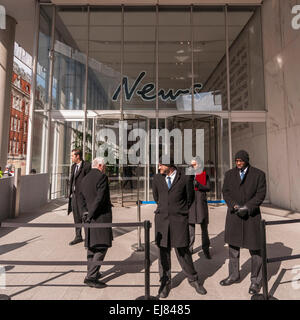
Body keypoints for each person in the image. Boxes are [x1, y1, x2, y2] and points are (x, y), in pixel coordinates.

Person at [152, 157, 207, 298]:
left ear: (169, 165)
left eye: (161, 164)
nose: (158, 167)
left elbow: (190, 199)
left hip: (179, 220)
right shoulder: (157, 178)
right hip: (162, 221)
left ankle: (193, 279)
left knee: (183, 251)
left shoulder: (184, 178)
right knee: (163, 252)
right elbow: (156, 198)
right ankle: (165, 282)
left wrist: (179, 212)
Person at [220, 150, 266, 295]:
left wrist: (247, 207)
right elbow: (225, 192)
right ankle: (234, 275)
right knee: (233, 249)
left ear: (246, 160)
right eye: (236, 161)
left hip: (251, 217)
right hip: (234, 216)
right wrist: (233, 205)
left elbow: (260, 194)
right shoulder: (229, 174)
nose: (238, 163)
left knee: (256, 250)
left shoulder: (259, 174)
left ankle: (255, 281)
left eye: (240, 161)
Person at [79, 157, 113, 289]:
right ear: (100, 165)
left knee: (91, 246)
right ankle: (91, 277)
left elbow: (79, 197)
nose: (105, 168)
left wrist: (85, 213)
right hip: (100, 217)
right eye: (104, 166)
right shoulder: (102, 177)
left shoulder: (84, 179)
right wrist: (91, 214)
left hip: (88, 217)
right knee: (101, 246)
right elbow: (99, 198)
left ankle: (92, 272)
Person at [188, 157, 211, 259]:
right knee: (190, 230)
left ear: (199, 165)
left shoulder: (204, 175)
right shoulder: (189, 176)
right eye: (191, 165)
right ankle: (189, 249)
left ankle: (206, 249)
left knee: (204, 229)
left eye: (194, 164)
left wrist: (199, 184)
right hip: (191, 205)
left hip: (201, 205)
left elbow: (208, 187)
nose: (192, 166)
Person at [67, 149, 91, 246]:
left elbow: (89, 181)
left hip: (83, 197)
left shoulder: (87, 166)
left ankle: (88, 239)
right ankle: (78, 236)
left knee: (84, 217)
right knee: (76, 217)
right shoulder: (73, 167)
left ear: (78, 156)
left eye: (72, 156)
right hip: (74, 196)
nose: (71, 157)